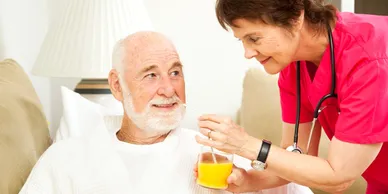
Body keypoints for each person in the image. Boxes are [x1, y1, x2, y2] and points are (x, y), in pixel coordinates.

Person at [19, 31, 311, 194]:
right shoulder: (67, 158)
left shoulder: (216, 154)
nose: (169, 89)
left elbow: (297, 188)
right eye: (150, 75)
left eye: (175, 72)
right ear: (117, 86)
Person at [194, 0, 388, 194]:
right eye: (242, 40)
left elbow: (339, 177)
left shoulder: (370, 59)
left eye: (254, 39)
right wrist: (250, 181)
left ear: (295, 18)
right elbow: (295, 155)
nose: (247, 53)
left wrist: (247, 145)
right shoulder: (292, 66)